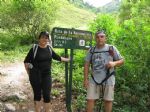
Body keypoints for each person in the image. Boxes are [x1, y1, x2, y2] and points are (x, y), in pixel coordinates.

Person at [24, 31, 70, 112]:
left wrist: (68, 59)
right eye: (43, 37)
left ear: (48, 39)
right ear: (39, 39)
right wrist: (29, 74)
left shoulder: (49, 48)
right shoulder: (34, 49)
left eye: (46, 38)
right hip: (35, 75)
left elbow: (57, 57)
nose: (45, 39)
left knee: (47, 95)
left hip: (47, 75)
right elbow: (26, 62)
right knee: (37, 95)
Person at [83, 31, 124, 112]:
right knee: (90, 100)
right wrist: (85, 79)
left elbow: (122, 61)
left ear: (105, 38)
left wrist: (114, 63)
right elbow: (86, 64)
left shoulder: (111, 48)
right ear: (95, 39)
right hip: (94, 79)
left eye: (102, 36)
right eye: (97, 37)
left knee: (108, 100)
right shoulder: (92, 50)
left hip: (109, 79)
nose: (99, 39)